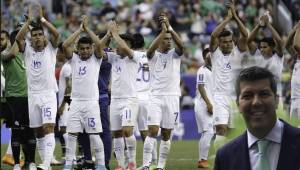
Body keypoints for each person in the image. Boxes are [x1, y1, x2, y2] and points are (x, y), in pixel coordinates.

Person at [214, 66, 300, 170]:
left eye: (263, 94)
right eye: (247, 96)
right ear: (238, 104)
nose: (256, 102)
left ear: (277, 101)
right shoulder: (224, 157)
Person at [15, 3, 60, 170]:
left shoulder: (50, 49)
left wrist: (42, 19)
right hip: (33, 94)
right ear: (31, 38)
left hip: (48, 94)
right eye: (35, 35)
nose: (38, 37)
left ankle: (47, 164)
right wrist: (27, 23)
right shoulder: (27, 50)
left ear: (44, 37)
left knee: (49, 127)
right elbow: (19, 38)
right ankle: (45, 163)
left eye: (40, 35)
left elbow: (57, 34)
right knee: (38, 131)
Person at [61, 15, 106, 170]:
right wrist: (79, 30)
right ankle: (68, 164)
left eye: (88, 48)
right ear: (78, 50)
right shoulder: (73, 59)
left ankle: (100, 165)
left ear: (91, 48)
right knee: (72, 135)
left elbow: (99, 44)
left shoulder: (96, 58)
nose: (85, 51)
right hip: (75, 103)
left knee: (94, 135)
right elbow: (65, 45)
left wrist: (87, 29)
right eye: (82, 49)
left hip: (91, 103)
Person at [142, 13, 184, 170]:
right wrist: (163, 30)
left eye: (170, 39)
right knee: (152, 130)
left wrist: (170, 29)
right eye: (166, 39)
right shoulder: (152, 56)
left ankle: (160, 166)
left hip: (172, 97)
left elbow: (182, 47)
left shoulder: (175, 55)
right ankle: (146, 165)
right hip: (155, 97)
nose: (169, 41)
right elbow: (150, 49)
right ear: (160, 40)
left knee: (166, 133)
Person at [209, 2, 248, 145]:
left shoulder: (237, 52)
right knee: (221, 128)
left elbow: (246, 35)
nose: (228, 44)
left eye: (230, 41)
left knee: (235, 132)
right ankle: (219, 161)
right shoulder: (215, 54)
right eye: (224, 42)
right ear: (219, 44)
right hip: (219, 97)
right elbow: (213, 35)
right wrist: (227, 19)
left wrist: (235, 17)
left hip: (236, 97)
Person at [104, 21, 140, 170]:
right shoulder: (114, 57)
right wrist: (108, 35)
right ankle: (120, 164)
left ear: (129, 46)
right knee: (116, 134)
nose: (117, 46)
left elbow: (124, 47)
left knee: (127, 130)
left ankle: (132, 161)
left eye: (121, 44)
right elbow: (99, 49)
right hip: (115, 100)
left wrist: (115, 34)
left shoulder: (134, 56)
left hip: (129, 99)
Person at [1, 30, 35, 170]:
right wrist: (25, 27)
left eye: (2, 39)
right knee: (16, 131)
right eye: (19, 40)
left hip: (28, 97)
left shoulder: (26, 55)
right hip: (12, 98)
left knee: (28, 131)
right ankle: (15, 163)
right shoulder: (4, 54)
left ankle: (30, 162)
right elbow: (13, 53)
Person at [133, 33, 158, 168]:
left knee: (142, 132)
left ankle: (150, 162)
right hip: (149, 95)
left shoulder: (131, 56)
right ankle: (153, 160)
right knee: (150, 131)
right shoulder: (151, 55)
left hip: (137, 95)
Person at [247, 13, 284, 97]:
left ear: (271, 47)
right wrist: (258, 26)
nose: (262, 49)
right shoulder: (258, 54)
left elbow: (279, 41)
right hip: (260, 94)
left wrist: (268, 25)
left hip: (275, 94)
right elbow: (249, 41)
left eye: (265, 47)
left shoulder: (278, 57)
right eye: (261, 47)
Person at [194, 48, 214, 169]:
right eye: (208, 56)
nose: (210, 58)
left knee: (206, 133)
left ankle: (201, 160)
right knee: (209, 131)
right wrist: (208, 103)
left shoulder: (215, 70)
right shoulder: (202, 70)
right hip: (203, 104)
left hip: (211, 103)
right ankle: (203, 159)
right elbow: (201, 87)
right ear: (204, 58)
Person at [286, 22, 300, 118]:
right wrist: (294, 29)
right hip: (295, 99)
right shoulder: (297, 57)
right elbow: (287, 45)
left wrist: (299, 28)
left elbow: (295, 45)